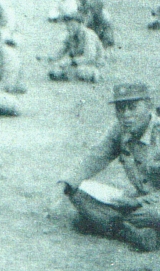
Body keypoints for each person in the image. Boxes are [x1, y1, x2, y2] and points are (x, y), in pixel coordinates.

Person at [58, 83, 160, 251]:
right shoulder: (120, 129)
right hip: (140, 201)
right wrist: (67, 182)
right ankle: (134, 232)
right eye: (120, 108)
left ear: (149, 105)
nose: (126, 114)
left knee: (85, 219)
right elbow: (96, 156)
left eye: (133, 107)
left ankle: (114, 225)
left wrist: (145, 206)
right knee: (77, 193)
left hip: (154, 203)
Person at [45, 14, 106, 83]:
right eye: (67, 25)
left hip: (93, 65)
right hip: (77, 65)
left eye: (72, 25)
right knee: (54, 71)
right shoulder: (71, 35)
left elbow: (89, 57)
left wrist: (71, 62)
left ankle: (90, 75)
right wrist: (50, 58)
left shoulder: (88, 35)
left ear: (80, 24)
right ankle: (70, 74)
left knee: (80, 71)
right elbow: (61, 51)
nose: (69, 27)